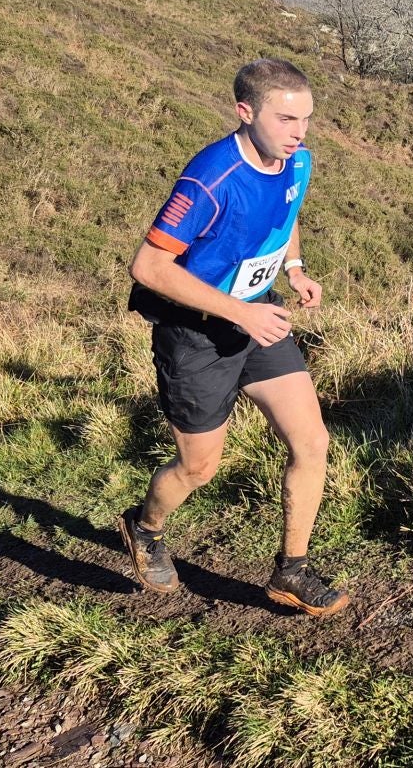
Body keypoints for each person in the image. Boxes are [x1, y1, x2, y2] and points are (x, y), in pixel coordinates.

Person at [116, 57, 350, 617]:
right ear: (245, 113)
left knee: (311, 442)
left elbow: (286, 213)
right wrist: (237, 313)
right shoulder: (209, 180)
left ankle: (290, 569)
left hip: (259, 318)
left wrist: (294, 269)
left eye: (307, 119)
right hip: (196, 334)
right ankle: (144, 527)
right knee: (199, 468)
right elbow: (147, 267)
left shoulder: (296, 162)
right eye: (287, 119)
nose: (299, 132)